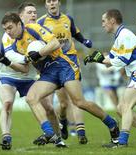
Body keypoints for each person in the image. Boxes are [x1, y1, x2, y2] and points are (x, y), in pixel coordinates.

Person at [0, 11, 120, 147]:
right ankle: (49, 133)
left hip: (63, 66)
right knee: (31, 98)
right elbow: (26, 69)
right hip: (48, 73)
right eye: (5, 30)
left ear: (19, 24)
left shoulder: (33, 28)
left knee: (79, 102)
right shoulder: (17, 45)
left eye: (10, 28)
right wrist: (7, 62)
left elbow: (55, 43)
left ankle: (112, 123)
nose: (8, 32)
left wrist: (38, 53)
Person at [0, 2, 64, 150]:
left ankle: (58, 138)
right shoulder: (9, 33)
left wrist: (39, 54)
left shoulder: (36, 29)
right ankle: (6, 136)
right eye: (29, 12)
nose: (33, 15)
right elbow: (10, 55)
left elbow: (50, 47)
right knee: (7, 103)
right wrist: (29, 57)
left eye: (34, 12)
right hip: (8, 73)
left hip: (27, 74)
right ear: (20, 18)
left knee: (49, 108)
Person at [84, 9, 136, 148]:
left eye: (104, 21)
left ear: (112, 21)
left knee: (126, 106)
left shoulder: (125, 35)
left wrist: (101, 59)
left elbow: (121, 61)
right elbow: (110, 60)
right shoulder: (119, 36)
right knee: (120, 108)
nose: (102, 25)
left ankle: (122, 142)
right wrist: (95, 59)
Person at [36, 0, 93, 144]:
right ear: (46, 5)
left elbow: (76, 33)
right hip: (55, 66)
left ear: (59, 3)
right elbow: (36, 43)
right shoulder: (41, 22)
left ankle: (81, 132)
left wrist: (85, 41)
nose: (52, 3)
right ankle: (63, 120)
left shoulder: (68, 19)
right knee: (63, 103)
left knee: (76, 99)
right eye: (49, 1)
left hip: (71, 62)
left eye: (54, 0)